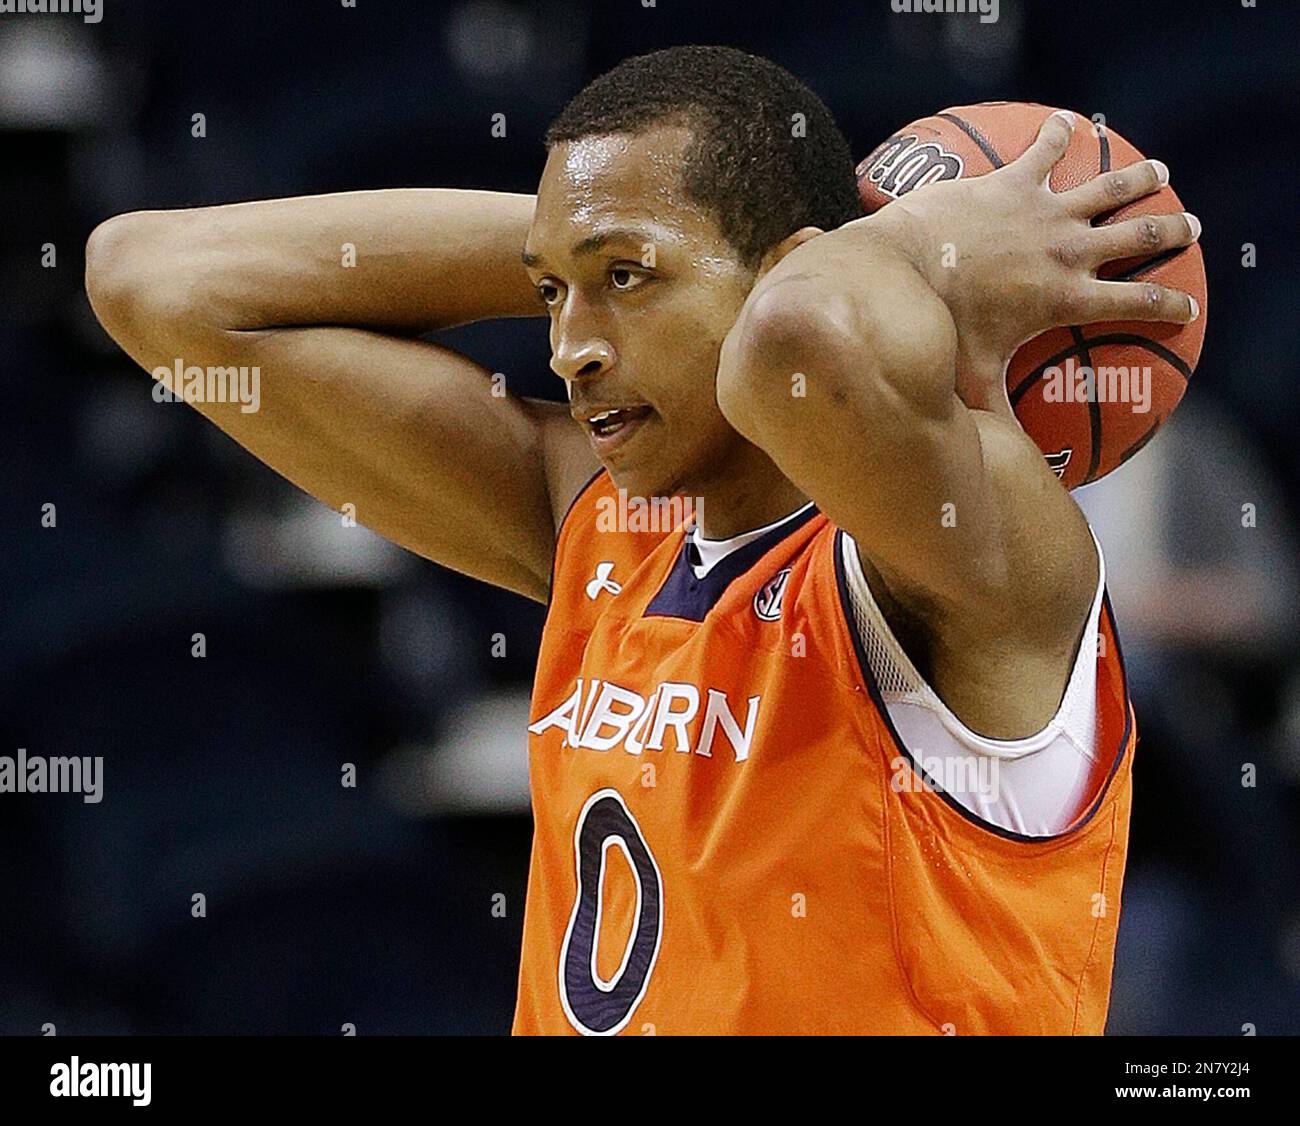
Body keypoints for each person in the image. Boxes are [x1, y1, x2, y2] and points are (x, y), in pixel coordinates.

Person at [85, 45, 1201, 1034]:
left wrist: (894, 238)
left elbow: (794, 338)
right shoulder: (597, 515)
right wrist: (589, 247)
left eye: (622, 283)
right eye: (551, 294)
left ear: (791, 264)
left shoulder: (979, 552)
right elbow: (153, 283)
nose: (568, 349)